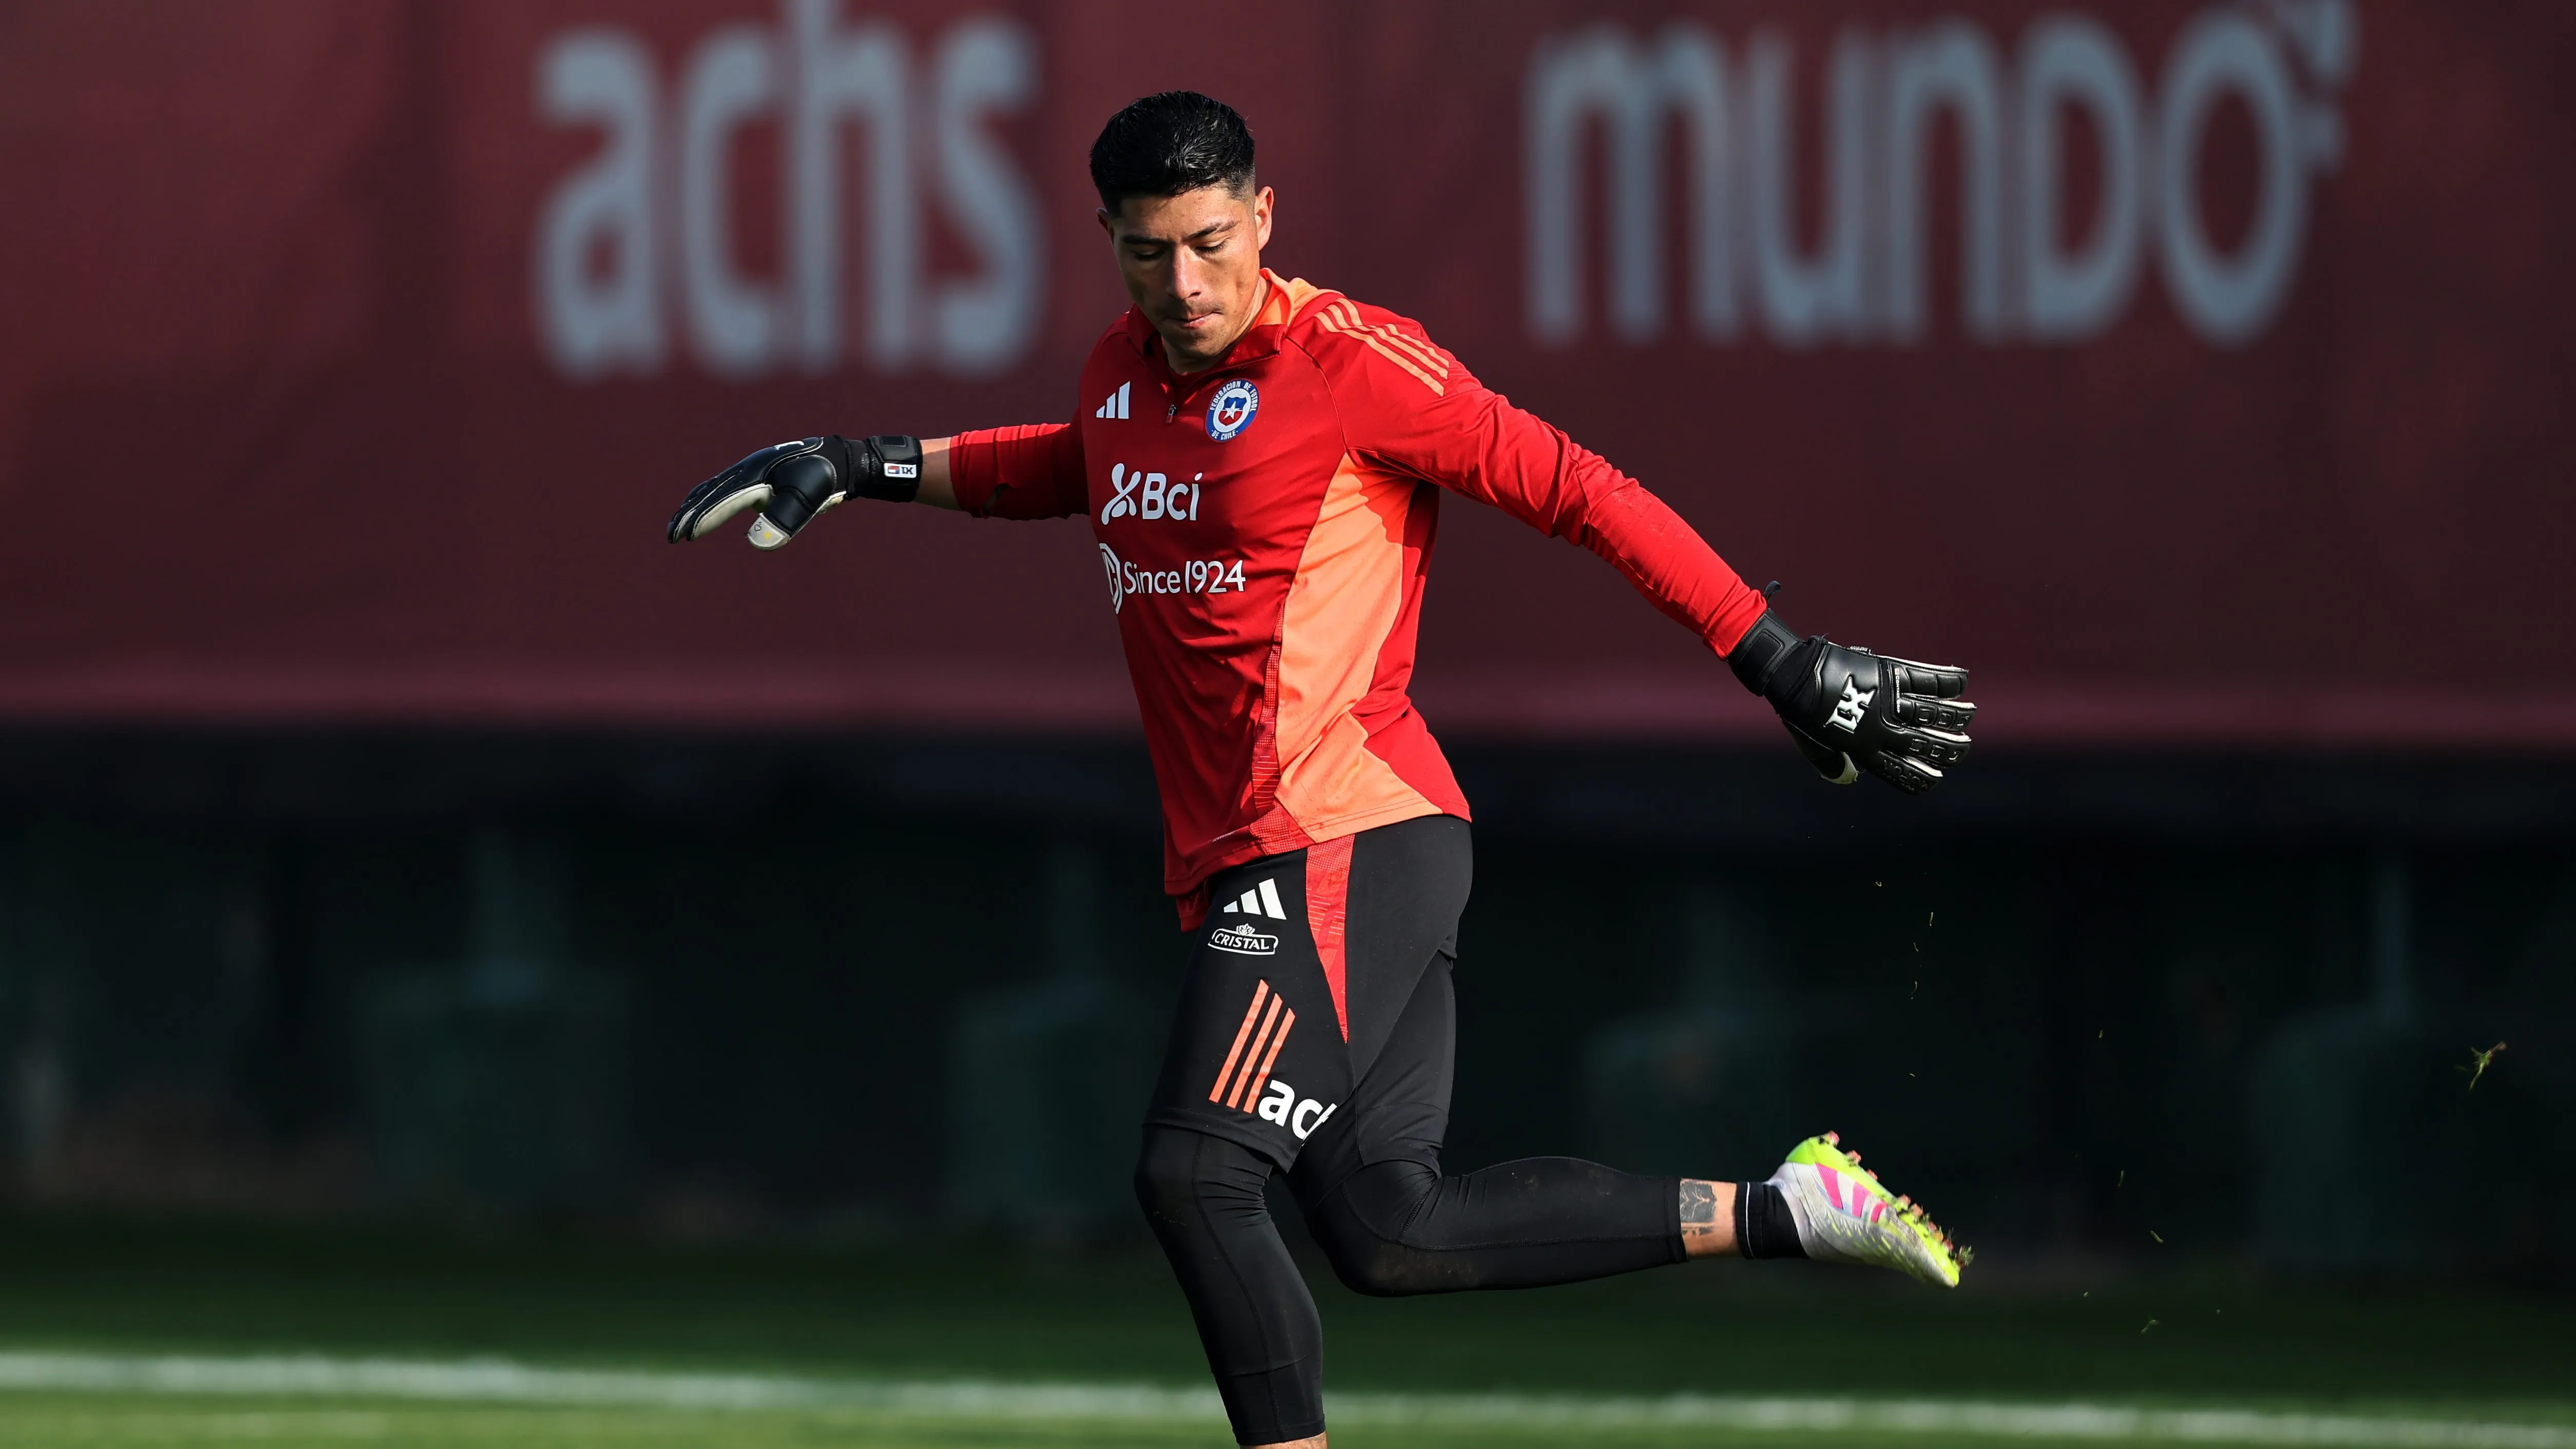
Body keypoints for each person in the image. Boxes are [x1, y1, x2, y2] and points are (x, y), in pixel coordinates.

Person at [668, 90, 1975, 1449]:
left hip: (1344, 830)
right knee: (1391, 1226)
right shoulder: (1124, 368)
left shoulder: (1352, 363)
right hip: (1280, 845)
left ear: (1266, 217)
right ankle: (1791, 1207)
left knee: (1194, 1171)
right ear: (1109, 239)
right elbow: (1084, 466)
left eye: (1212, 242)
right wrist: (863, 461)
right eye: (1145, 250)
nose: (1183, 283)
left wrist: (1771, 654)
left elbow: (1575, 486)